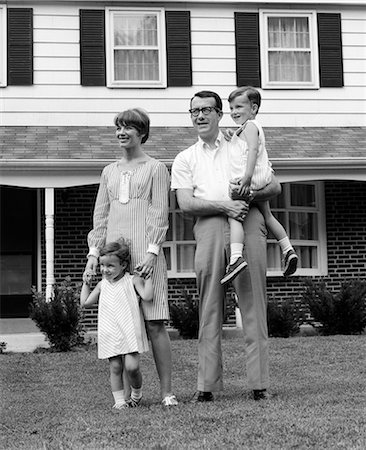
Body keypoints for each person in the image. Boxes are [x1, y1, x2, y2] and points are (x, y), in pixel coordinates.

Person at [171, 90, 281, 402]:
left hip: (246, 223)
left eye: (206, 110)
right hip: (208, 227)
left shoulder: (242, 141)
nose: (200, 116)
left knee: (253, 305)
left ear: (220, 114)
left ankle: (259, 385)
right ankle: (205, 387)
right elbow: (186, 203)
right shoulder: (185, 158)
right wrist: (225, 207)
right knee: (209, 307)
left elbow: (274, 185)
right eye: (194, 111)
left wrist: (244, 200)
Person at [83, 108, 178, 407]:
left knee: (154, 323)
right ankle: (126, 397)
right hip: (115, 257)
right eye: (119, 127)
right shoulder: (109, 171)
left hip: (146, 255)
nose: (122, 132)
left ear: (142, 133)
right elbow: (101, 215)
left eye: (128, 128)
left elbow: (159, 212)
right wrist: (93, 254)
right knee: (119, 324)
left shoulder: (156, 168)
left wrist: (152, 252)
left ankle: (166, 393)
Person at [220, 86, 298, 285]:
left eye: (239, 106)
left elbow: (252, 150)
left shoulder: (251, 126)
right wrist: (232, 135)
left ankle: (236, 257)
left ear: (253, 108)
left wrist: (246, 178)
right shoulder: (246, 128)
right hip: (263, 177)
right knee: (268, 215)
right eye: (231, 108)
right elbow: (244, 143)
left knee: (234, 215)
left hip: (252, 177)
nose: (234, 111)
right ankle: (288, 249)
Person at [81, 239, 151, 409]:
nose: (105, 270)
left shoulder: (132, 280)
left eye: (110, 266)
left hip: (129, 330)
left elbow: (147, 296)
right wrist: (86, 283)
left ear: (124, 265)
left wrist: (148, 279)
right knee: (115, 366)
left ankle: (136, 394)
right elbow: (85, 302)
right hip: (110, 331)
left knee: (132, 367)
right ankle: (119, 401)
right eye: (103, 265)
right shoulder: (102, 285)